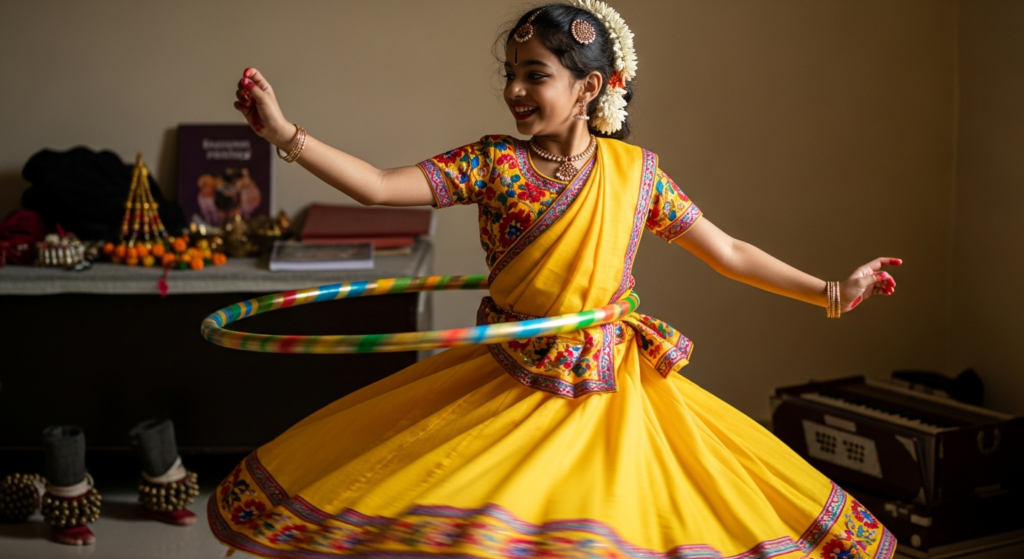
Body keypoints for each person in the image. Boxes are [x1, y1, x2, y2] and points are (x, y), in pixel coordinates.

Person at [211, 2, 899, 558]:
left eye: (534, 74)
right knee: (481, 531)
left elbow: (729, 251)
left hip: (612, 390)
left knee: (618, 527)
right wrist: (283, 133)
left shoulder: (636, 177)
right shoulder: (493, 164)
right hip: (508, 379)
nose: (513, 90)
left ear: (588, 88)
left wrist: (832, 292)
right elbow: (379, 186)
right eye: (510, 73)